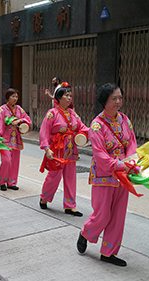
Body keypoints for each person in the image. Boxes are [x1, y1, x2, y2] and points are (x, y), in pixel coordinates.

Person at [77, 83, 138, 267]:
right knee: (102, 214)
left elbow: (132, 143)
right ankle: (86, 232)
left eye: (120, 97)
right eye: (114, 98)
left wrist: (132, 162)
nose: (118, 102)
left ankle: (109, 252)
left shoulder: (125, 120)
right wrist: (121, 165)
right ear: (104, 101)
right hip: (104, 175)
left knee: (118, 215)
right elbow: (100, 155)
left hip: (123, 175)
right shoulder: (96, 126)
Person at [39, 82, 89, 216]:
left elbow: (82, 127)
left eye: (70, 96)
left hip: (71, 150)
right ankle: (44, 197)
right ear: (59, 97)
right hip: (57, 149)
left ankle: (70, 205)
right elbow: (44, 131)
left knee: (71, 177)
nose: (69, 98)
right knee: (54, 176)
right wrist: (46, 148)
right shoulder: (52, 113)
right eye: (66, 95)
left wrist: (90, 133)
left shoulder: (73, 113)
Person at [0, 88, 32, 191]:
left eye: (16, 96)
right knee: (6, 161)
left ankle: (11, 182)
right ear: (7, 97)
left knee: (15, 162)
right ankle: (2, 181)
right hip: (5, 140)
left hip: (16, 140)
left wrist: (20, 120)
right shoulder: (2, 109)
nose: (15, 98)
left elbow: (28, 120)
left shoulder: (19, 109)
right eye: (13, 96)